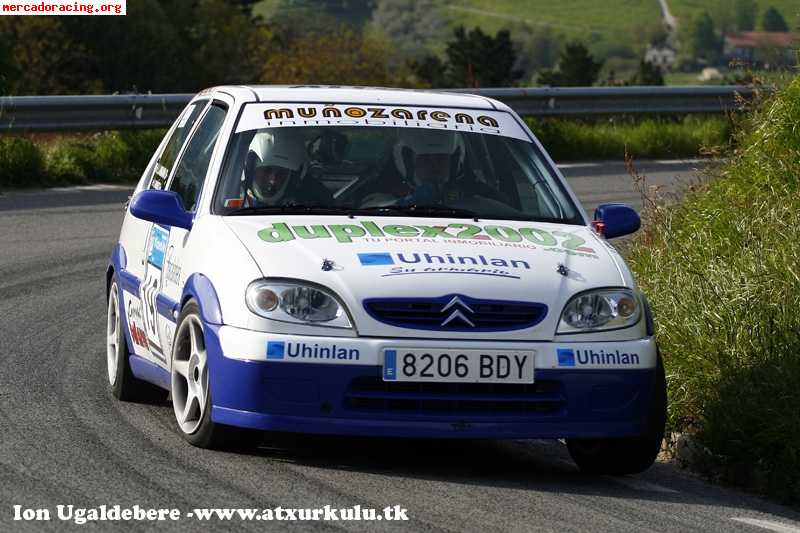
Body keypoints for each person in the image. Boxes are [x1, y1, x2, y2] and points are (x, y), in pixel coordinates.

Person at [243, 131, 331, 207]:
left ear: (293, 178)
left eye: (281, 173)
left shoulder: (315, 199)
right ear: (251, 169)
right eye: (267, 170)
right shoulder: (233, 196)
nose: (272, 180)